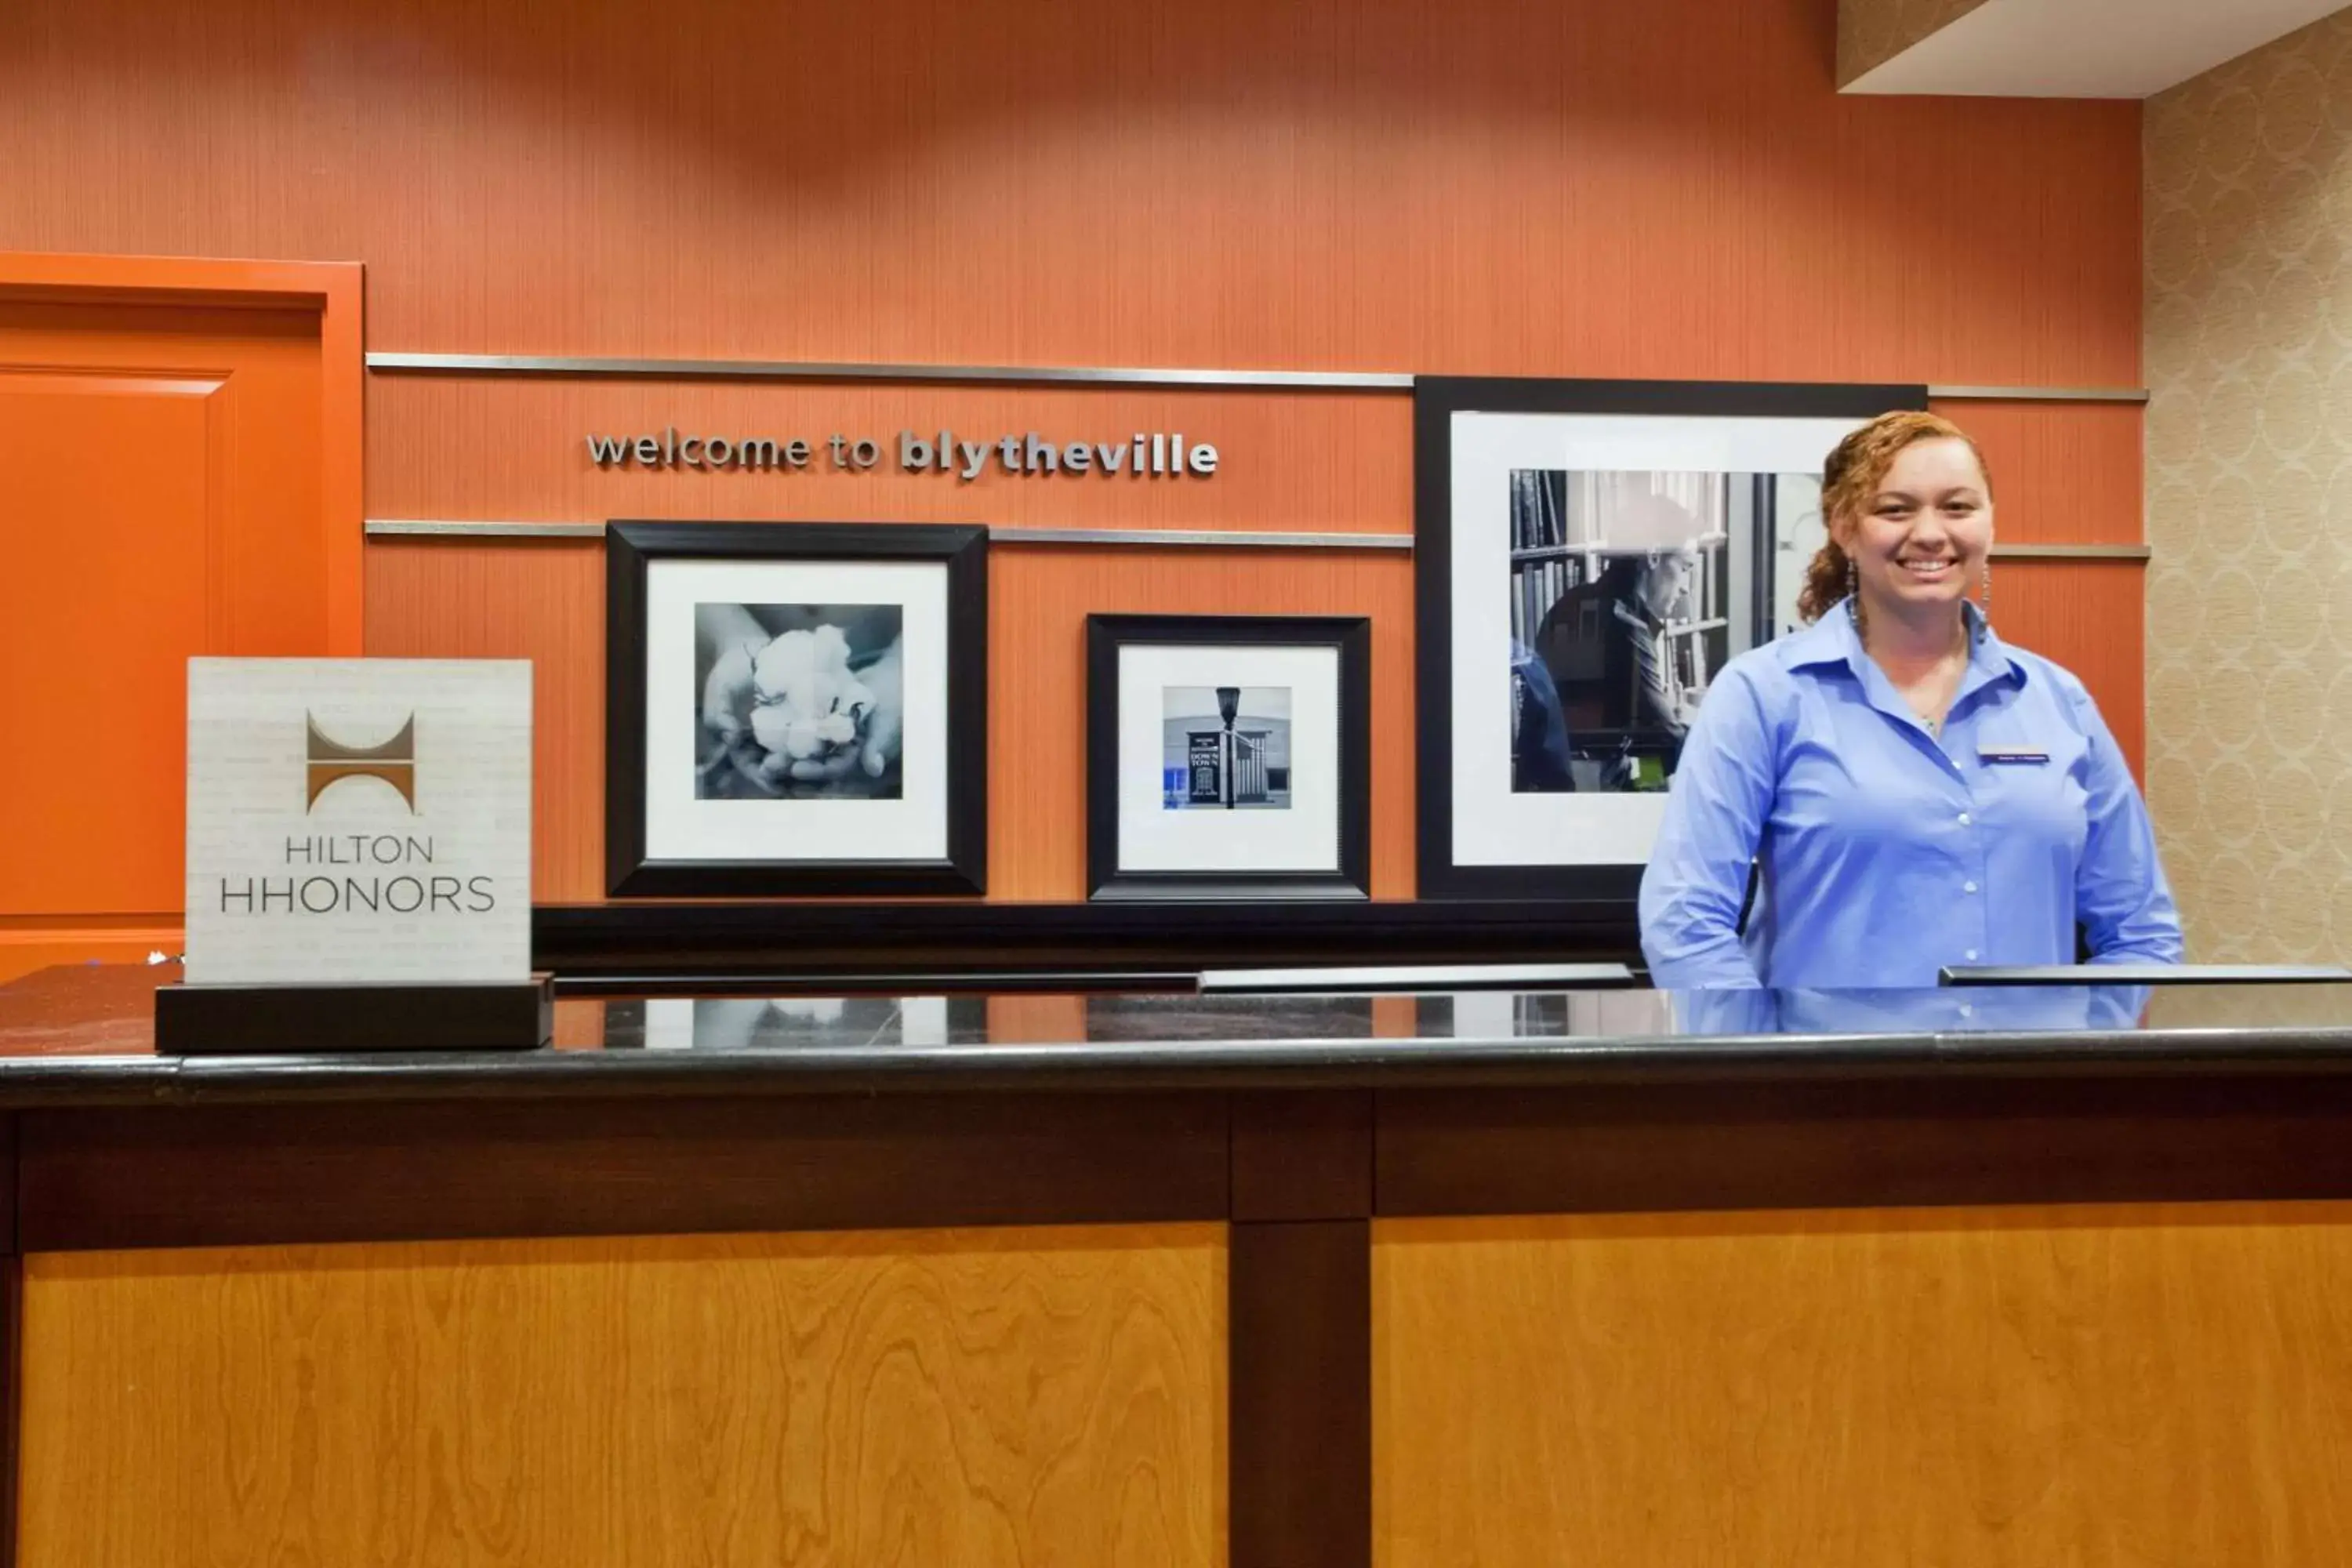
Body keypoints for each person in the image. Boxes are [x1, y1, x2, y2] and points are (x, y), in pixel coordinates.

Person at [1638, 410, 2182, 989]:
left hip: (2031, 1075)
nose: (1929, 533)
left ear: (1990, 525)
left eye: (1958, 507)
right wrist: (1772, 1064)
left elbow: (2141, 930)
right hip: (1832, 1074)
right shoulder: (1763, 695)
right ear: (1844, 528)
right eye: (1895, 509)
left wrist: (2098, 1060)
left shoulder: (2059, 701)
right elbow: (1685, 921)